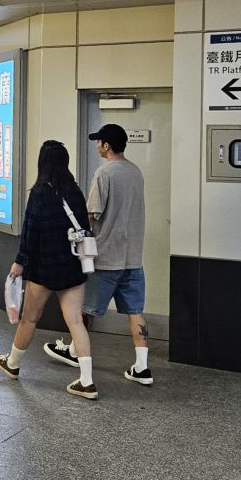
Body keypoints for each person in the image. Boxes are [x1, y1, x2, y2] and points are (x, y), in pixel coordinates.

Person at [0, 140, 98, 399]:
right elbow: (84, 225)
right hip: (73, 265)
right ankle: (86, 380)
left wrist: (20, 261)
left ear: (42, 163)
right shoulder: (74, 190)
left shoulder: (39, 192)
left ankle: (13, 363)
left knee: (29, 319)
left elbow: (30, 231)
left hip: (44, 266)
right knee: (75, 321)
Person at [72, 123, 152, 387]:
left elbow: (92, 214)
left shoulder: (103, 174)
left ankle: (75, 350)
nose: (97, 146)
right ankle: (142, 368)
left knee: (85, 309)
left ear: (106, 145)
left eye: (99, 142)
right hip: (133, 256)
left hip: (106, 256)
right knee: (135, 311)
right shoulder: (136, 172)